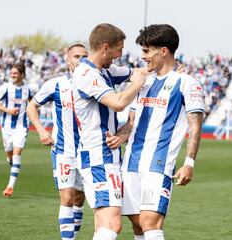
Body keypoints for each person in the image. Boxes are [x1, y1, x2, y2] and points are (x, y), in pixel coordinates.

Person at [106, 24, 205, 240]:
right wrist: (118, 136)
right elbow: (131, 123)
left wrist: (189, 163)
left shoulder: (186, 83)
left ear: (163, 51)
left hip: (159, 163)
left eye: (146, 51)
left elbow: (195, 125)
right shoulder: (142, 82)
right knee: (137, 224)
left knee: (150, 222)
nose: (143, 57)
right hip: (131, 162)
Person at [72, 23, 147, 240]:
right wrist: (137, 83)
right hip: (97, 157)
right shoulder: (86, 74)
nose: (120, 54)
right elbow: (118, 102)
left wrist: (172, 70)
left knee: (104, 223)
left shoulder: (105, 71)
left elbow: (138, 73)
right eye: (119, 49)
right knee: (112, 223)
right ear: (106, 47)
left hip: (108, 155)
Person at [26, 44, 88, 240]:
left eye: (84, 56)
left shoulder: (96, 84)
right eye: (76, 56)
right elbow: (31, 107)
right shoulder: (55, 84)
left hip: (88, 151)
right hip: (63, 150)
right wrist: (41, 130)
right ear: (67, 60)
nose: (81, 60)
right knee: (67, 199)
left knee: (79, 199)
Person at [0, 63, 32, 197]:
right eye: (11, 73)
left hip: (22, 126)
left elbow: (33, 103)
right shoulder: (5, 87)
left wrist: (32, 113)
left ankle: (10, 186)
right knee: (9, 155)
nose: (13, 75)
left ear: (22, 74)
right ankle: (13, 165)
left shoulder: (28, 89)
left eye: (15, 73)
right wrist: (8, 110)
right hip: (7, 126)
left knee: (17, 154)